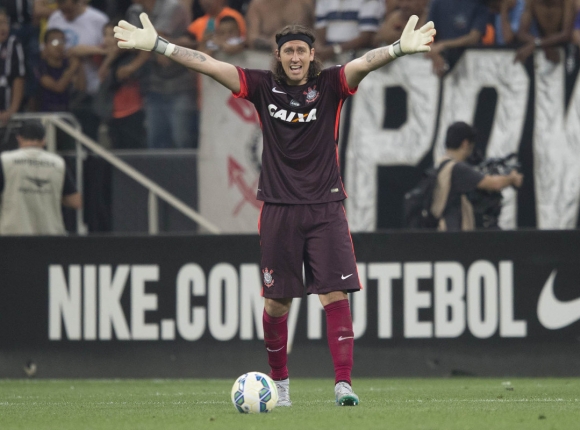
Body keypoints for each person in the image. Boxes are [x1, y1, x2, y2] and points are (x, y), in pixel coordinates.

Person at [114, 11, 435, 405]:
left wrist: (399, 48)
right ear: (279, 57)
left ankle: (343, 385)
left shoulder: (330, 84)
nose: (295, 57)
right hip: (279, 209)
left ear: (312, 54)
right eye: (288, 52)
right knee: (275, 302)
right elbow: (211, 65)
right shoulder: (263, 86)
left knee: (335, 295)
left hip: (325, 206)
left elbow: (363, 63)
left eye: (301, 50)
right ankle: (279, 385)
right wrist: (161, 45)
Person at [124, 0, 199, 149]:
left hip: (180, 84)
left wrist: (132, 67)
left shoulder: (172, 6)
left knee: (182, 138)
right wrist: (174, 43)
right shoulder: (134, 11)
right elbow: (133, 41)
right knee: (156, 140)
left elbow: (154, 39)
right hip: (153, 86)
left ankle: (186, 173)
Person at [435, 122, 523, 232]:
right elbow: (493, 184)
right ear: (465, 144)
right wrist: (512, 179)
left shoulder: (442, 165)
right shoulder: (457, 168)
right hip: (454, 235)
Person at [0, 120, 82, 235]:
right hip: (49, 237)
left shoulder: (5, 160)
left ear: (19, 138)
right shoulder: (58, 163)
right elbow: (75, 201)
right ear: (44, 140)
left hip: (13, 236)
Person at [46, 0, 109, 140]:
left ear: (79, 3)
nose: (65, 15)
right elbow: (46, 49)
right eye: (62, 10)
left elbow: (109, 49)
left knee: (90, 136)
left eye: (69, 10)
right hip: (65, 88)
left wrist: (85, 51)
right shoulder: (55, 18)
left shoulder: (98, 19)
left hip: (93, 87)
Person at [425, 0, 490, 76]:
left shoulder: (479, 4)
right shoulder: (437, 2)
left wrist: (443, 45)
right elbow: (427, 33)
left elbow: (474, 38)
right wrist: (434, 53)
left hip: (469, 63)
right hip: (441, 61)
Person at [314, 0, 385, 61]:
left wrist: (335, 50)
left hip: (357, 59)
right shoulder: (323, 1)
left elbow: (366, 37)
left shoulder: (369, 1)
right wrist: (320, 50)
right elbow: (319, 32)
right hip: (329, 59)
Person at [246, 0, 314, 51]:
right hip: (267, 57)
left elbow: (317, 35)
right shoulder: (258, 6)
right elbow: (252, 39)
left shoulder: (305, 3)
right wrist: (273, 43)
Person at [0, 8, 26, 128]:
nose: (3, 27)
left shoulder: (13, 44)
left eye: (5, 22)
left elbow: (18, 78)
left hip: (6, 112)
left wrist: (12, 110)